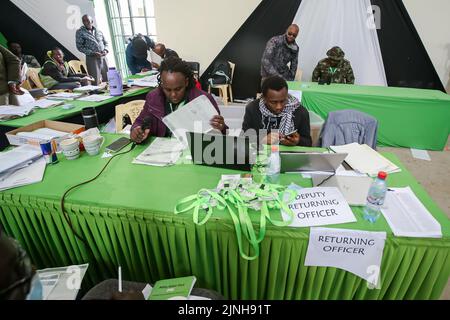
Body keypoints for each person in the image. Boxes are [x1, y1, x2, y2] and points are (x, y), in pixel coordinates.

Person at [131, 57, 227, 144]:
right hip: (161, 151)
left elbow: (221, 136)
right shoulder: (153, 97)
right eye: (167, 89)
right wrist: (137, 131)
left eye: (178, 89)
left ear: (186, 82)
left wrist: (221, 128)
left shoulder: (203, 100)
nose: (173, 95)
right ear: (162, 85)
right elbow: (140, 122)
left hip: (191, 152)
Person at [242, 75, 311, 147]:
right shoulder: (252, 109)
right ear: (264, 98)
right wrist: (262, 139)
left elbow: (308, 143)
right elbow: (244, 138)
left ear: (287, 95)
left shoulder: (300, 112)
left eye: (283, 101)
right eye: (273, 102)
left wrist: (298, 141)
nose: (279, 107)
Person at [75, 14, 109, 85]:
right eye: (83, 21)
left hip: (103, 57)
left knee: (108, 77)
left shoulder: (98, 31)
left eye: (87, 20)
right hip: (92, 58)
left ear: (92, 21)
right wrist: (92, 53)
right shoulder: (80, 32)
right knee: (94, 80)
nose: (85, 22)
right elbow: (79, 47)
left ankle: (110, 92)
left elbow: (106, 43)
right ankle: (96, 94)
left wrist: (105, 50)